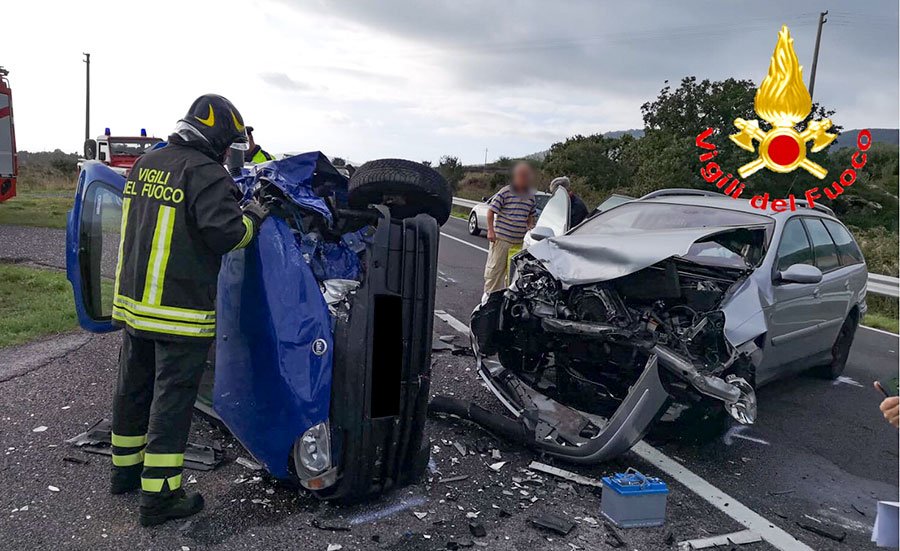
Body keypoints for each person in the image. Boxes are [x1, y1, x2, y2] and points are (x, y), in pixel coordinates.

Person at [109, 94, 270, 526]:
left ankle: (124, 472)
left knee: (133, 390)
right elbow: (227, 235)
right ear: (216, 138)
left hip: (135, 305)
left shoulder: (147, 162)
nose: (229, 152)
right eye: (229, 144)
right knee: (172, 402)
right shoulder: (206, 173)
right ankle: (160, 498)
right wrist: (253, 217)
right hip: (178, 312)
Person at [484, 162, 536, 294]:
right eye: (522, 175)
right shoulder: (506, 191)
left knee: (513, 275)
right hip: (502, 239)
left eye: (527, 176)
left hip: (518, 243)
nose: (525, 178)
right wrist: (490, 230)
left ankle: (507, 299)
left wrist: (530, 225)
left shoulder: (531, 196)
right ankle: (489, 299)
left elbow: (531, 215)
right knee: (495, 272)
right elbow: (491, 211)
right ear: (516, 176)